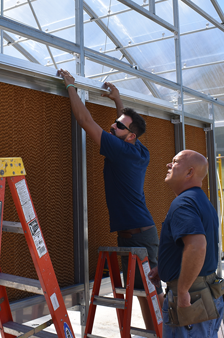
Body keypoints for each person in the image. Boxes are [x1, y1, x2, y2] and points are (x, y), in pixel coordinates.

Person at [58, 69, 164, 330]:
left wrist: (70, 87)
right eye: (115, 121)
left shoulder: (120, 150)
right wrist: (117, 100)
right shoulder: (140, 150)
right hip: (137, 233)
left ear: (130, 136)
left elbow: (84, 120)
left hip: (138, 236)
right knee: (145, 293)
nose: (112, 125)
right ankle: (158, 333)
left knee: (151, 295)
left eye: (118, 125)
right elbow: (128, 123)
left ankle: (163, 334)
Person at [149, 150, 224, 337]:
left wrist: (182, 291)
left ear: (189, 172)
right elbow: (187, 246)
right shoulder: (202, 201)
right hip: (205, 290)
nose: (168, 165)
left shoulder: (183, 204)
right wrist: (165, 267)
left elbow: (197, 247)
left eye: (175, 161)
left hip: (192, 295)